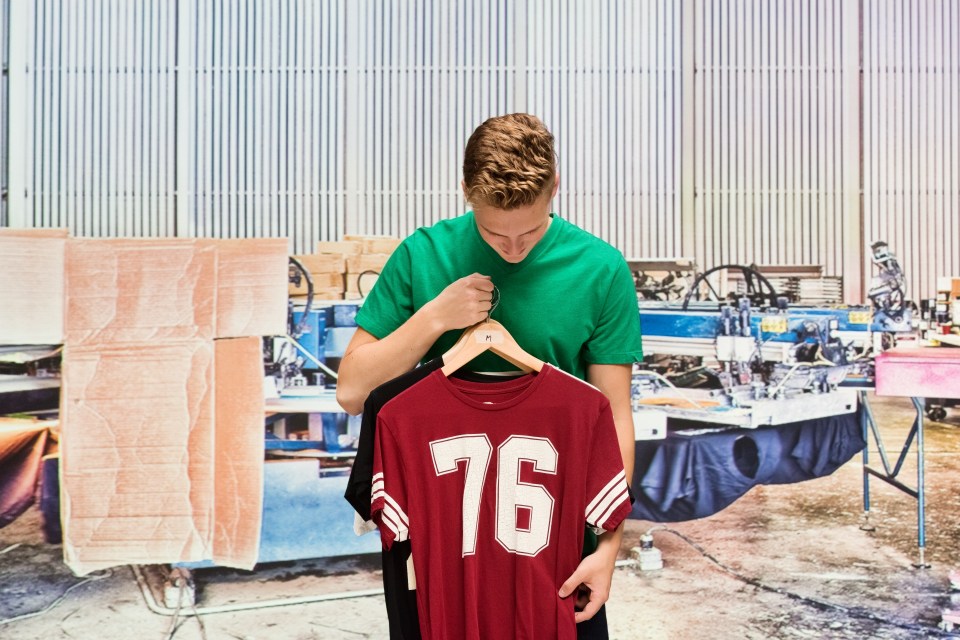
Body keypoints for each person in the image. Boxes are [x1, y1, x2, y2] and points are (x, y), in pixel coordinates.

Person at [336, 112, 643, 638]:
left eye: (528, 231)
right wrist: (434, 318)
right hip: (440, 538)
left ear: (555, 189)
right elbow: (352, 391)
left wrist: (609, 546)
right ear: (465, 194)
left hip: (552, 532)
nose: (514, 249)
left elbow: (613, 413)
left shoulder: (600, 268)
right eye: (495, 233)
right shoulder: (425, 254)